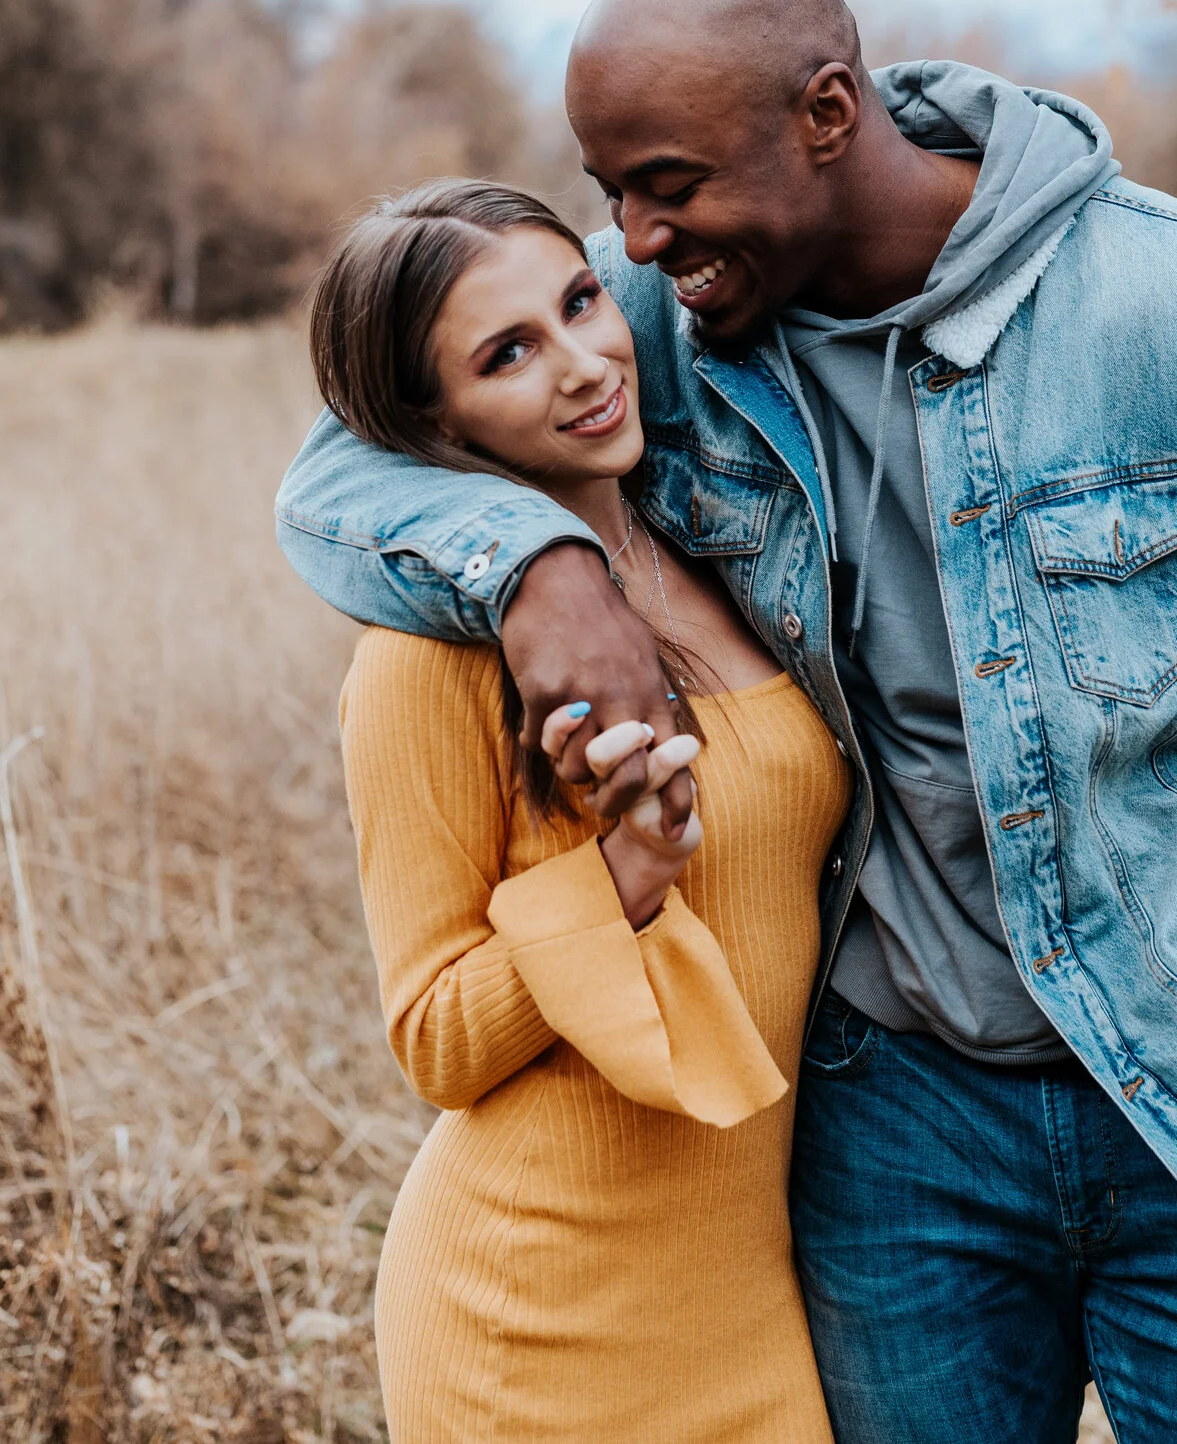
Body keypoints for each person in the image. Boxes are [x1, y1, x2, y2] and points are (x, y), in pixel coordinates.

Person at [279, 0, 1177, 1444]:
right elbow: (357, 441)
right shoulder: (656, 322)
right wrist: (537, 571)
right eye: (612, 200)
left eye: (668, 186)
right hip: (895, 1131)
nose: (638, 241)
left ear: (827, 115)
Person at [314, 178, 847, 1442]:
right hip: (538, 1318)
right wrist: (623, 874)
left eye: (578, 301)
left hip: (749, 1292)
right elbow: (432, 1032)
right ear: (431, 422)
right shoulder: (425, 660)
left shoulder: (717, 548)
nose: (583, 363)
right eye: (507, 354)